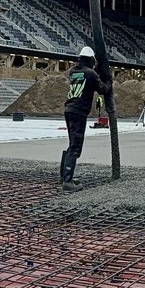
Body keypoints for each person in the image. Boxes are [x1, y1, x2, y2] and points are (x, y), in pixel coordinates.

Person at [59, 46, 99, 187]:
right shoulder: (91, 73)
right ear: (91, 60)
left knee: (71, 143)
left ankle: (64, 176)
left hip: (69, 109)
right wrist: (108, 82)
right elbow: (102, 89)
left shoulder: (73, 72)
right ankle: (67, 180)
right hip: (79, 112)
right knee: (76, 146)